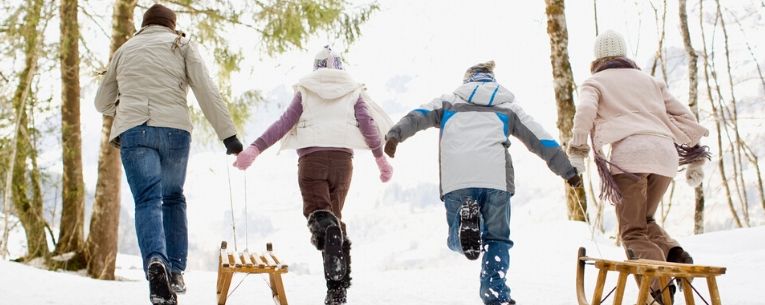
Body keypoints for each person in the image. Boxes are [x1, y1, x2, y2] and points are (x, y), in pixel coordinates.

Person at [383, 61, 581, 305]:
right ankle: (495, 293)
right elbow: (540, 138)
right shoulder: (508, 107)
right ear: (492, 80)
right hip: (496, 179)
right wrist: (567, 171)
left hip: (459, 180)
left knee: (457, 239)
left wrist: (394, 135)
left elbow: (417, 116)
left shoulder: (448, 102)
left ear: (467, 81)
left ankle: (463, 231)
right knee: (497, 239)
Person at [94, 4, 243, 305]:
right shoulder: (182, 44)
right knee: (173, 197)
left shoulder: (125, 49)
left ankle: (155, 265)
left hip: (135, 131)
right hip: (175, 131)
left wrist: (123, 111)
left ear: (144, 25)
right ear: (171, 25)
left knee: (147, 200)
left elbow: (101, 101)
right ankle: (174, 270)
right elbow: (206, 90)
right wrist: (229, 135)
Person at [233, 46, 394, 305]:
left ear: (316, 67)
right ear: (340, 68)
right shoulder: (353, 91)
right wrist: (380, 159)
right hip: (343, 163)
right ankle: (337, 291)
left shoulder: (306, 90)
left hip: (312, 161)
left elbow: (283, 123)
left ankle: (330, 246)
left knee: (320, 216)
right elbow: (369, 126)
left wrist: (255, 149)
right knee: (335, 221)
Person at [567, 30, 708, 303]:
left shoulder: (594, 82)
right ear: (624, 54)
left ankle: (659, 292)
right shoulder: (651, 81)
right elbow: (687, 118)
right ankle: (674, 253)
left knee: (631, 231)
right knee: (645, 220)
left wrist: (578, 150)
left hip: (631, 157)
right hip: (665, 156)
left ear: (597, 58)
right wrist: (695, 156)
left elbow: (584, 113)